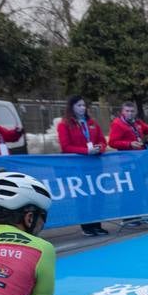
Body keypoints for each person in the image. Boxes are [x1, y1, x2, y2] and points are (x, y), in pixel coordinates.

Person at [55, 95, 108, 237]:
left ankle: (97, 225)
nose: (82, 108)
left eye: (84, 105)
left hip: (95, 165)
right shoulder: (64, 124)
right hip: (78, 166)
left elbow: (102, 141)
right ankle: (87, 226)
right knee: (83, 197)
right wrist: (86, 151)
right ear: (71, 107)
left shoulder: (92, 123)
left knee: (98, 196)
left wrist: (99, 148)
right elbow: (65, 147)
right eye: (79, 105)